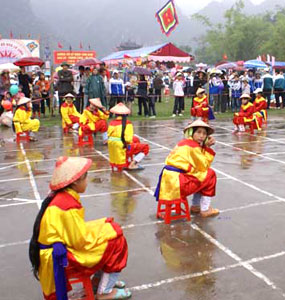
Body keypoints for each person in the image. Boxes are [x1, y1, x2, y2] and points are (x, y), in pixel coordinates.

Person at [29, 156, 131, 300]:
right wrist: (106, 232)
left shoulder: (63, 197)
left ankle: (100, 281)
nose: (87, 181)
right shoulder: (67, 205)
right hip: (61, 256)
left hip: (60, 247)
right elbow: (79, 241)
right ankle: (104, 292)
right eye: (85, 178)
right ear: (75, 181)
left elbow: (75, 231)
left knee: (110, 228)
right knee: (117, 241)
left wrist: (103, 226)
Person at [154, 120, 219, 218]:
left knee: (201, 176)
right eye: (198, 132)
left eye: (204, 134)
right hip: (179, 183)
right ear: (191, 133)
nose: (201, 136)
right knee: (210, 174)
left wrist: (204, 147)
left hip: (169, 181)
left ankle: (196, 206)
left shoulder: (184, 143)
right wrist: (208, 148)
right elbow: (204, 166)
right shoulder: (193, 146)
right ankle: (205, 209)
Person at [108, 103, 150, 171]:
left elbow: (109, 134)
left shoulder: (111, 123)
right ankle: (132, 164)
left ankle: (128, 160)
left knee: (135, 139)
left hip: (112, 145)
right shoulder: (127, 123)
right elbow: (128, 139)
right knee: (145, 147)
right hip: (122, 146)